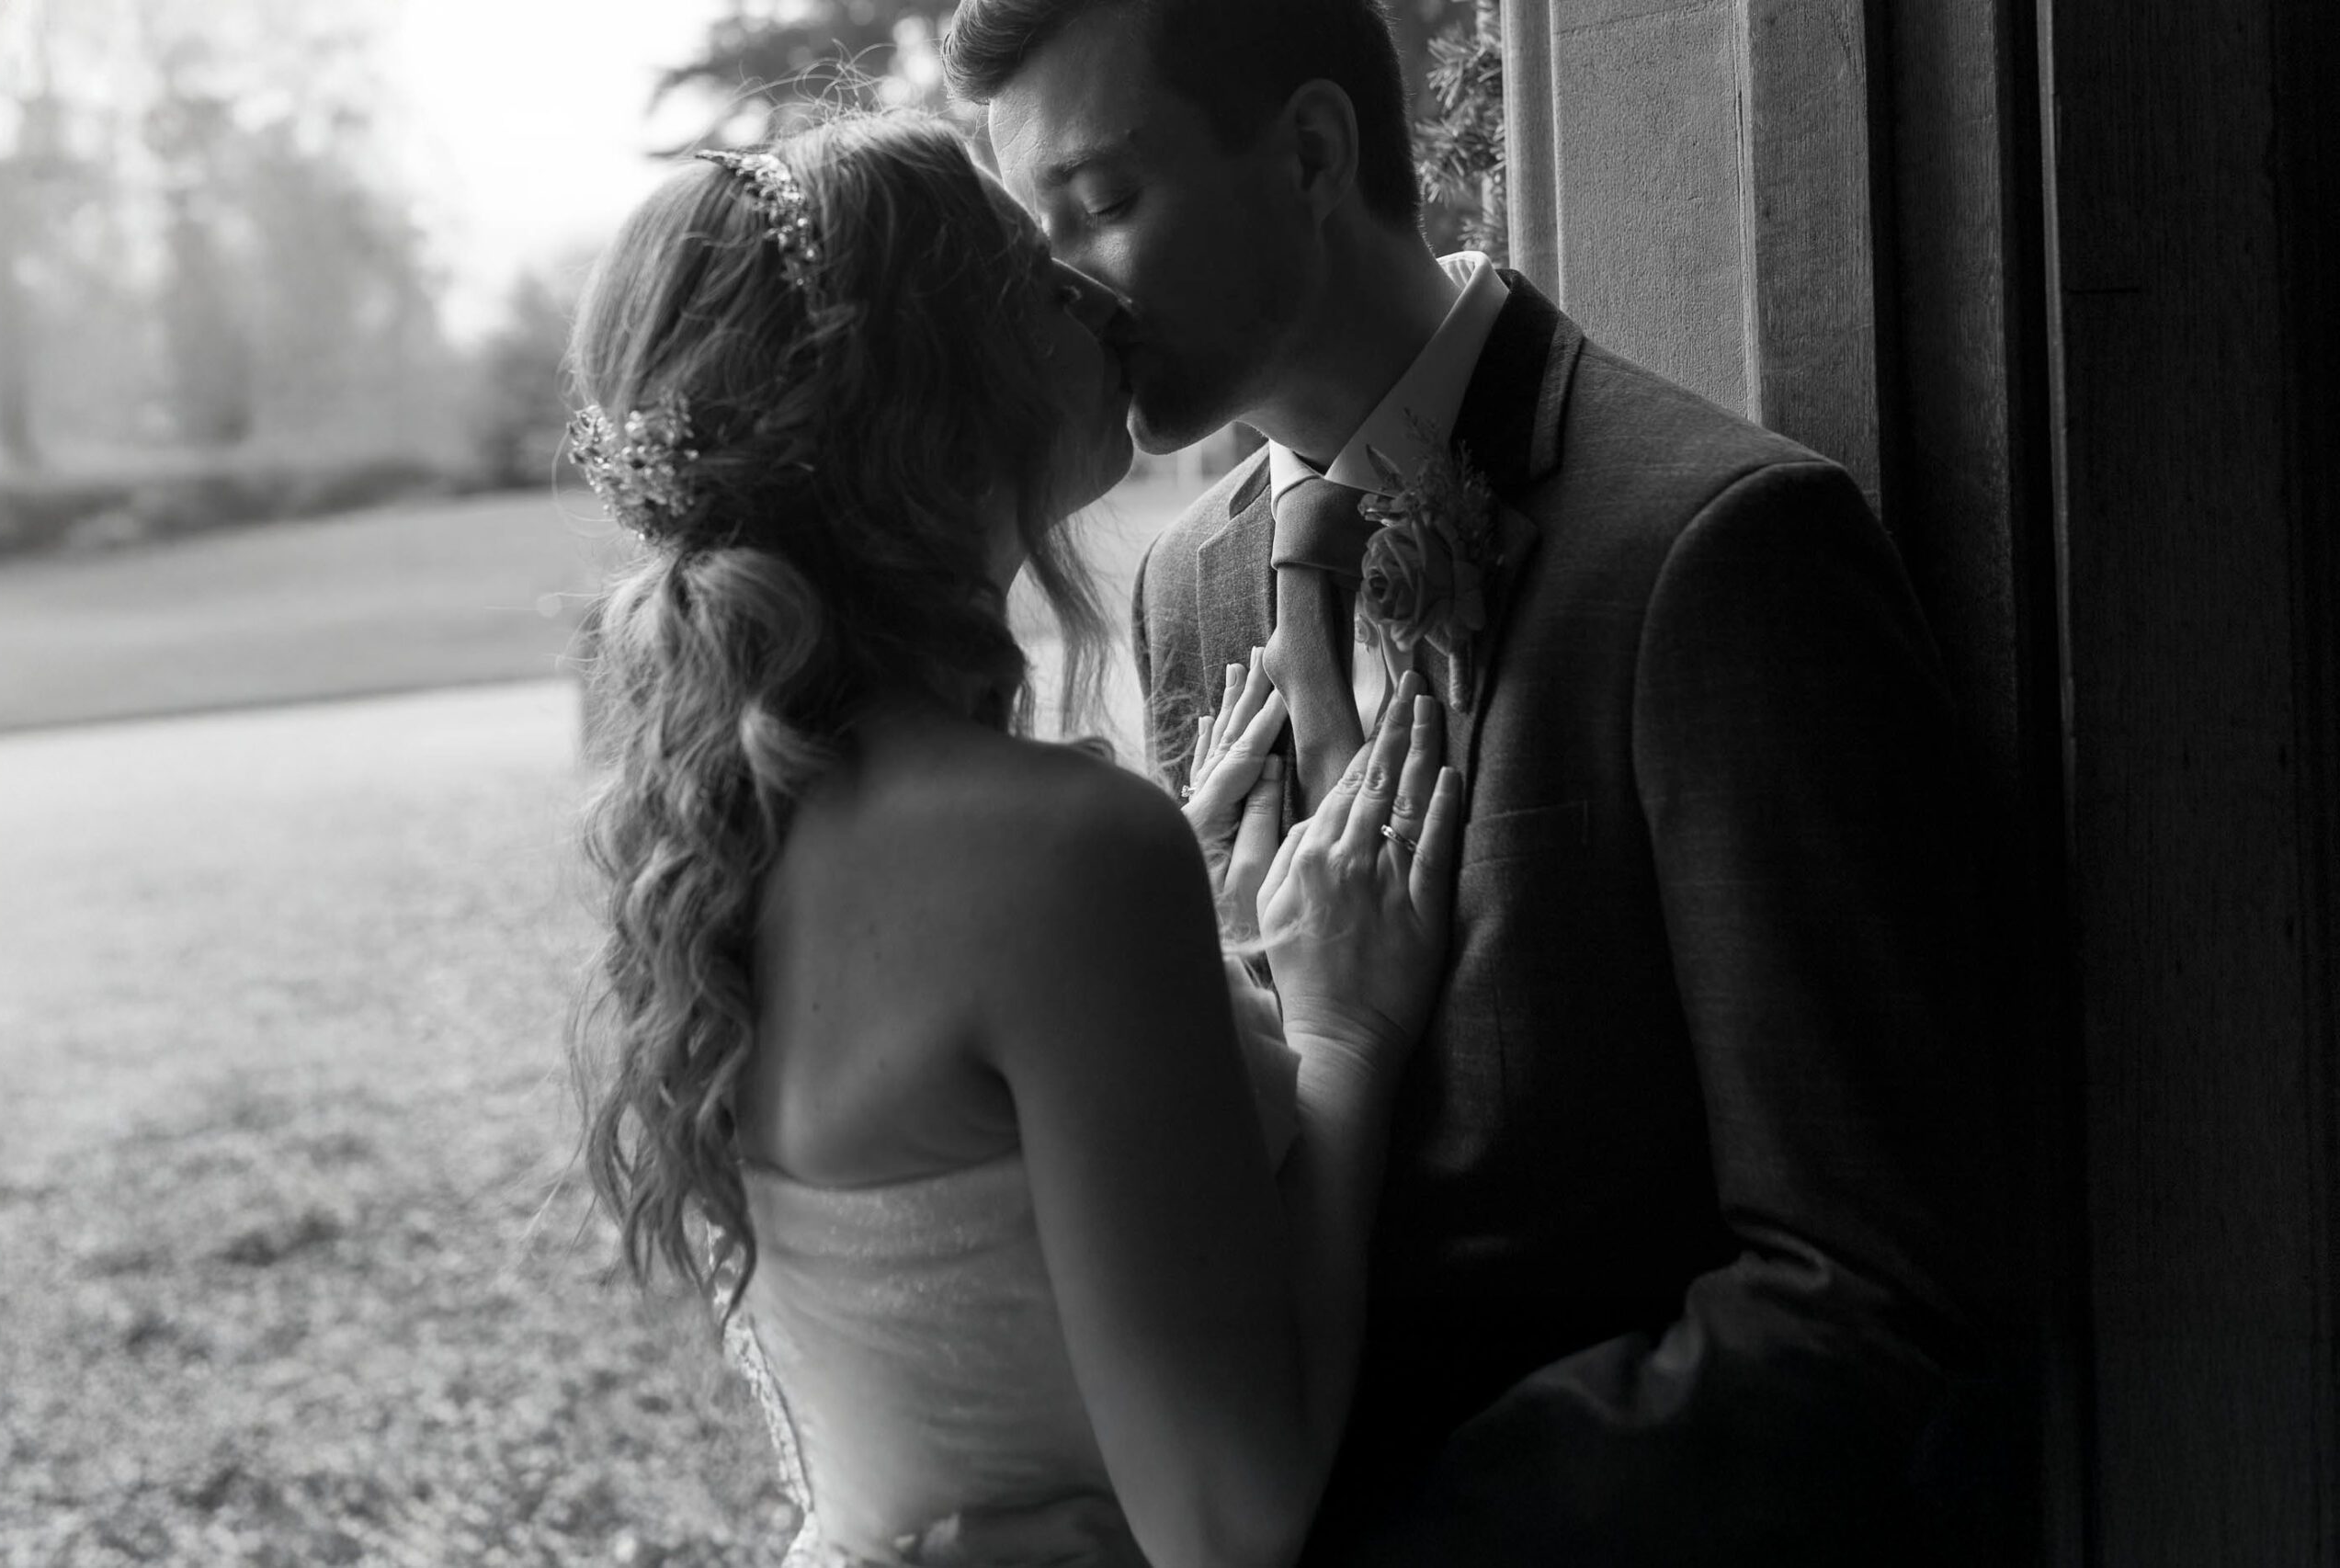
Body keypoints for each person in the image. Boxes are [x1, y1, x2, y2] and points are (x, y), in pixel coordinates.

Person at [928, 0, 2012, 1562]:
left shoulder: (1717, 554)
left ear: (1313, 152)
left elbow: (1864, 1289)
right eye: (1038, 237)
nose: (1067, 290)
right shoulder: (1189, 588)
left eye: (1101, 204)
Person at [563, 110, 1471, 1568]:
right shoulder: (1061, 859)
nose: (1098, 294)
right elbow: (1226, 1525)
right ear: (939, 387)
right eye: (1034, 273)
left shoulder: (733, 825)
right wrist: (1341, 1034)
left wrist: (1198, 973)